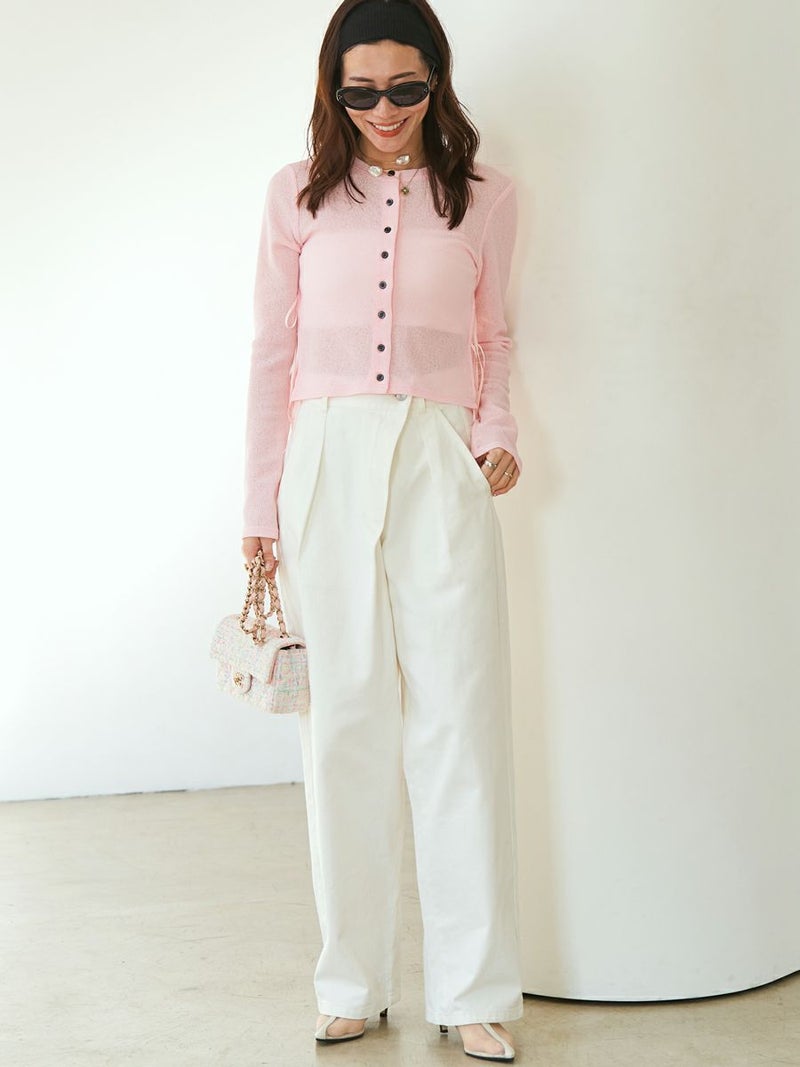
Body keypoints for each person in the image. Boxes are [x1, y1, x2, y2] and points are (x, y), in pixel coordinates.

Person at [241, 0, 524, 1060]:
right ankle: (351, 980)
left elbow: (495, 335)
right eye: (359, 90)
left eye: (405, 87)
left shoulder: (487, 198)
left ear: (436, 81)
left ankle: (473, 988)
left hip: (440, 456)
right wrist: (256, 506)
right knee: (343, 722)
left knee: (459, 717)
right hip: (322, 458)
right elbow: (270, 352)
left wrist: (494, 429)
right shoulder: (296, 195)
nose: (383, 108)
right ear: (333, 90)